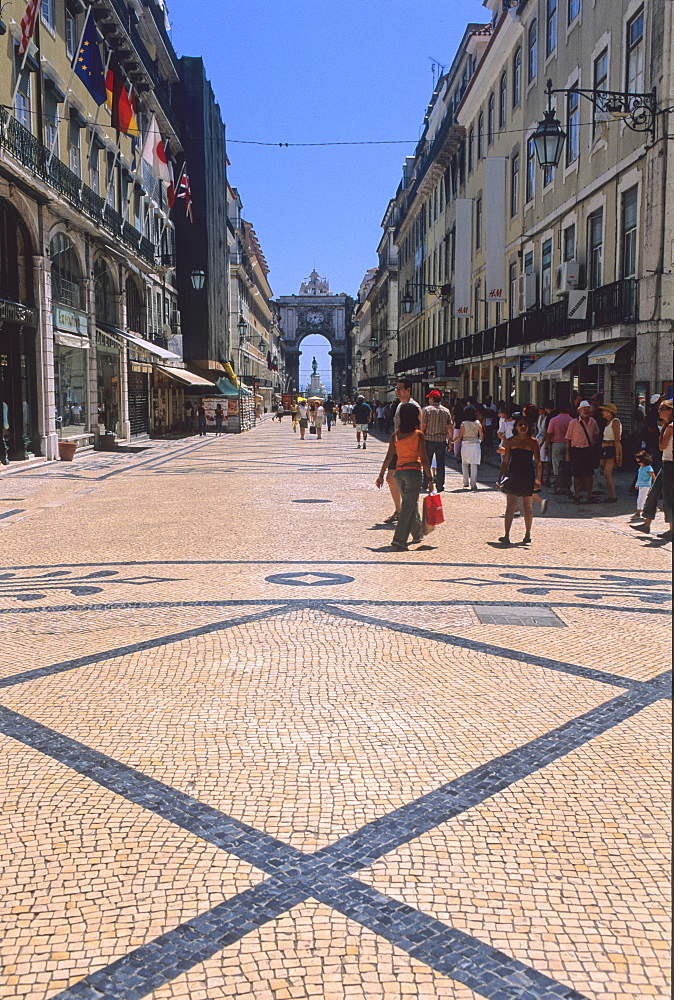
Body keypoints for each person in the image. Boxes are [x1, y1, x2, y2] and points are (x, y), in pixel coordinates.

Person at [376, 402, 433, 550]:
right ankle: (399, 539)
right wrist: (430, 478)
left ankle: (417, 532)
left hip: (399, 473)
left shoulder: (395, 435)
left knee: (410, 503)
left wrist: (381, 474)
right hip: (413, 472)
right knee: (408, 506)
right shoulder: (418, 434)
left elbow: (389, 456)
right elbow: (424, 458)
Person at [497, 416, 542, 546]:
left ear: (529, 427)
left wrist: (538, 478)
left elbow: (538, 462)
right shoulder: (510, 441)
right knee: (510, 506)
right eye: (520, 424)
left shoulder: (533, 442)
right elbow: (505, 461)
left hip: (528, 475)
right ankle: (506, 535)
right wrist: (500, 476)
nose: (523, 427)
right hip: (513, 474)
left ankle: (528, 534)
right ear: (516, 427)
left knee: (527, 507)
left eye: (525, 425)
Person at [631, 399, 673, 540]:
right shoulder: (667, 425)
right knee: (654, 492)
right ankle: (647, 523)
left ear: (670, 411)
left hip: (670, 463)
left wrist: (661, 433)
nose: (659, 411)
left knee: (667, 496)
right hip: (666, 462)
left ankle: (671, 529)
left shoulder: (670, 427)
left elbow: (661, 447)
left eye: (662, 409)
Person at [384, 380, 422, 523]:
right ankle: (399, 510)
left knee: (404, 481)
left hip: (408, 448)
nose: (397, 392)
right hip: (398, 446)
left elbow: (419, 428)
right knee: (391, 478)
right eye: (397, 389)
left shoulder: (414, 406)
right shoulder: (400, 405)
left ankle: (409, 515)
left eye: (400, 389)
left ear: (408, 390)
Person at [565, 401, 600, 504]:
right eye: (584, 409)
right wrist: (568, 454)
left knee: (589, 474)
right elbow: (568, 439)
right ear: (579, 410)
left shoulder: (593, 421)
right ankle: (577, 495)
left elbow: (596, 433)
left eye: (588, 409)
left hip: (588, 450)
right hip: (576, 450)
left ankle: (590, 495)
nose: (586, 411)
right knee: (577, 475)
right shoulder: (573, 423)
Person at [421, 390, 452, 492]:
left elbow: (423, 425)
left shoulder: (426, 410)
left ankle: (425, 483)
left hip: (429, 439)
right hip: (441, 440)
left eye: (429, 398)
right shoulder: (446, 411)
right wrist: (450, 440)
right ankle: (440, 485)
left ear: (432, 399)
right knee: (440, 464)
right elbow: (449, 427)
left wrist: (420, 436)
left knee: (427, 463)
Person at [545, 404, 572, 493]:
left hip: (557, 444)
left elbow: (549, 434)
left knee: (557, 467)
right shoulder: (572, 420)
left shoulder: (553, 420)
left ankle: (557, 487)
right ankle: (568, 487)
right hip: (569, 445)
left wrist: (546, 446)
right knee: (568, 467)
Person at [598, 402, 622, 503]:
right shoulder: (608, 422)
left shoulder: (615, 422)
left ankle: (613, 496)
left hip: (612, 448)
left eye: (604, 410)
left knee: (607, 473)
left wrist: (617, 455)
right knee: (606, 473)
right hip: (606, 447)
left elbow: (617, 439)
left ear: (610, 412)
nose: (602, 412)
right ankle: (610, 494)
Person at [456, 405, 483, 490]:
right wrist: (479, 441)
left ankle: (465, 482)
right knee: (474, 464)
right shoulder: (478, 423)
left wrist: (453, 441)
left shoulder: (463, 424)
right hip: (475, 444)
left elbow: (460, 435)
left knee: (464, 464)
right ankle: (473, 484)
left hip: (466, 444)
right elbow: (481, 434)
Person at [632, 451, 656, 520]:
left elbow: (653, 475)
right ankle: (653, 507)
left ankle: (638, 512)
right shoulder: (641, 468)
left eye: (640, 462)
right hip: (641, 485)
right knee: (645, 497)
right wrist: (637, 484)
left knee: (641, 498)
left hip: (646, 485)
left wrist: (655, 483)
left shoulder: (648, 467)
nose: (639, 464)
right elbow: (639, 476)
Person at [536, 402, 553, 487]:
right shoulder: (539, 417)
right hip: (538, 438)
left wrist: (543, 442)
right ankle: (540, 477)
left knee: (546, 460)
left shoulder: (547, 418)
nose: (539, 410)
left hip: (545, 439)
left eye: (540, 408)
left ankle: (547, 478)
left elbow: (547, 431)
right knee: (539, 460)